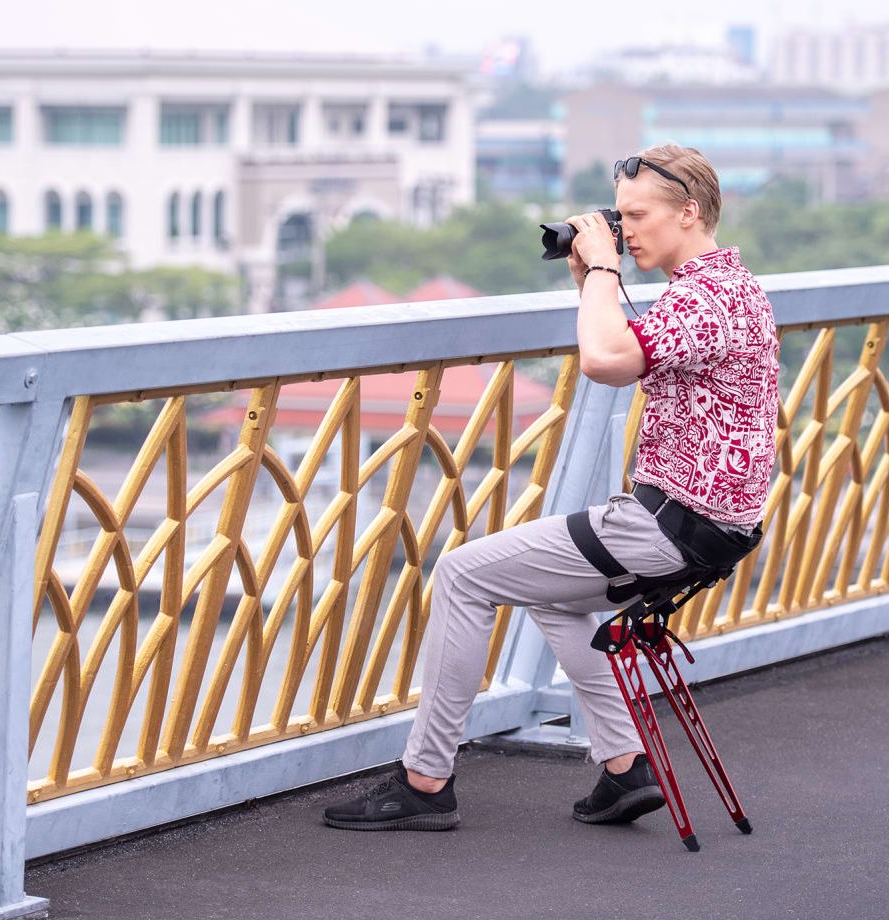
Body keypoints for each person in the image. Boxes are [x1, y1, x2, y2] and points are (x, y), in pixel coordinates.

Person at [322, 144, 780, 832]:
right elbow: (622, 345)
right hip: (711, 530)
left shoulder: (705, 298)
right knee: (549, 593)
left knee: (462, 574)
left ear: (689, 212)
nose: (625, 231)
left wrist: (602, 266)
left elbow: (603, 359)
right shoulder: (733, 287)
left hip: (666, 527)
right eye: (617, 218)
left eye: (636, 215)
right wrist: (591, 279)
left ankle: (425, 780)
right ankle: (626, 769)